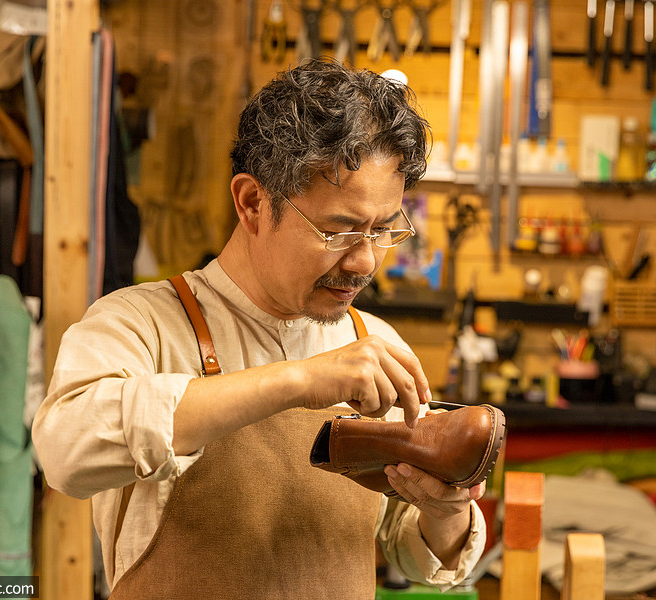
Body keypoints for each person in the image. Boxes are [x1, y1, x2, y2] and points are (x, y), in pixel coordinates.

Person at [32, 58, 487, 599]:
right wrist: (299, 380)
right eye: (339, 230)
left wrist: (446, 510)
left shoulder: (374, 344)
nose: (366, 261)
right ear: (252, 202)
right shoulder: (141, 324)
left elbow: (412, 549)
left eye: (383, 230)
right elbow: (64, 448)